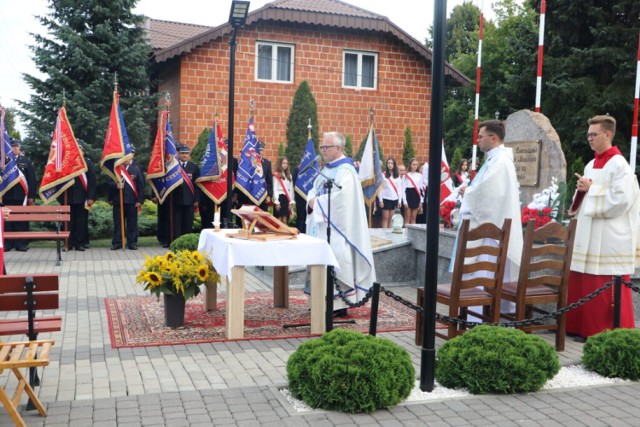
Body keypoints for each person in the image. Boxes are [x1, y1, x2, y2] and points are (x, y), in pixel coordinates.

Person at [566, 115, 640, 340]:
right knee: (582, 279)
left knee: (601, 281)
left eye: (593, 134)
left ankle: (600, 331)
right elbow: (586, 195)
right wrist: (581, 189)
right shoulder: (591, 163)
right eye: (588, 134)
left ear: (607, 134)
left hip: (607, 236)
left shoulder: (620, 165)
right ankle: (578, 325)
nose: (589, 138)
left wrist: (592, 189)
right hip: (588, 232)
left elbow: (623, 200)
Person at [455, 120, 523, 320]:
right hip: (488, 224)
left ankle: (476, 319)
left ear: (493, 138)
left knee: (480, 274)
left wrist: (468, 192)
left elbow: (488, 195)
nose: (478, 140)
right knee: (479, 273)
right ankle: (474, 316)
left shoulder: (500, 161)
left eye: (481, 136)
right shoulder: (495, 159)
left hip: (489, 232)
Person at [306, 131, 376, 315]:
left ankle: (340, 304)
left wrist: (318, 203)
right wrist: (312, 200)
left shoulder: (347, 170)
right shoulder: (325, 168)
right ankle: (321, 300)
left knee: (339, 259)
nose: (323, 150)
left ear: (338, 148)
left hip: (338, 228)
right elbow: (314, 189)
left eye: (326, 147)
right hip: (321, 225)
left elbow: (344, 199)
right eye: (322, 147)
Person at [60, 141, 97, 251]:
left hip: (82, 198)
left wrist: (91, 197)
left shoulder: (87, 163)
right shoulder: (66, 163)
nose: (78, 150)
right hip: (68, 198)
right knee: (68, 223)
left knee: (81, 223)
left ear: (83, 151)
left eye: (80, 148)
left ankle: (79, 243)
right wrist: (61, 198)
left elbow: (92, 181)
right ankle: (68, 243)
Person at [3, 139, 37, 252]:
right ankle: (7, 243)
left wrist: (32, 196)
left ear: (19, 147)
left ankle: (21, 243)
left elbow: (32, 180)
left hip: (22, 196)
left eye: (17, 146)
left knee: (21, 220)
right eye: (13, 146)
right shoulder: (4, 162)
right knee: (7, 221)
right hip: (7, 195)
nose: (15, 148)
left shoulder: (26, 161)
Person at [107, 156, 144, 250]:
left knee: (132, 223)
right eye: (124, 157)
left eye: (128, 158)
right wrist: (116, 185)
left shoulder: (136, 169)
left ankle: (132, 243)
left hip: (132, 201)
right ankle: (117, 242)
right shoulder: (116, 168)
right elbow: (108, 183)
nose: (126, 159)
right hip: (118, 201)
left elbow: (141, 185)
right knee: (118, 223)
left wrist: (140, 200)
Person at [172, 144, 200, 240]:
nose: (184, 155)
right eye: (183, 153)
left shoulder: (194, 167)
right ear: (178, 154)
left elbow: (197, 185)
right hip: (176, 199)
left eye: (186, 154)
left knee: (188, 223)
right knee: (177, 223)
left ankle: (186, 241)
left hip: (190, 200)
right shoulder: (174, 167)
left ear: (189, 155)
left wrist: (196, 199)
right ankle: (176, 241)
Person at [377, 157, 402, 228]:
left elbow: (399, 189)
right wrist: (380, 200)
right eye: (388, 163)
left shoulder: (397, 176)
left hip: (394, 199)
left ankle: (389, 235)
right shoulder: (383, 175)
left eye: (391, 163)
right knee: (385, 218)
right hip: (386, 198)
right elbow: (380, 189)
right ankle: (384, 234)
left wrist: (399, 201)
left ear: (394, 165)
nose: (390, 165)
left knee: (391, 218)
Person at [273, 156, 295, 224]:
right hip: (279, 197)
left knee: (285, 219)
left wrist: (291, 201)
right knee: (278, 219)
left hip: (286, 198)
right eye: (283, 163)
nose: (285, 165)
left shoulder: (289, 176)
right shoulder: (276, 175)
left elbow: (291, 189)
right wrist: (276, 201)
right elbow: (275, 189)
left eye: (286, 163)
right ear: (280, 164)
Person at [402, 158, 424, 225]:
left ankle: (412, 234)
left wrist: (421, 201)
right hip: (408, 195)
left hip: (416, 196)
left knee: (413, 218)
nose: (415, 166)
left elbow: (421, 190)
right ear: (410, 165)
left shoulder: (420, 176)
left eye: (416, 165)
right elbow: (403, 190)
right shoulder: (406, 176)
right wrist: (405, 201)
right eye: (413, 164)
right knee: (407, 218)